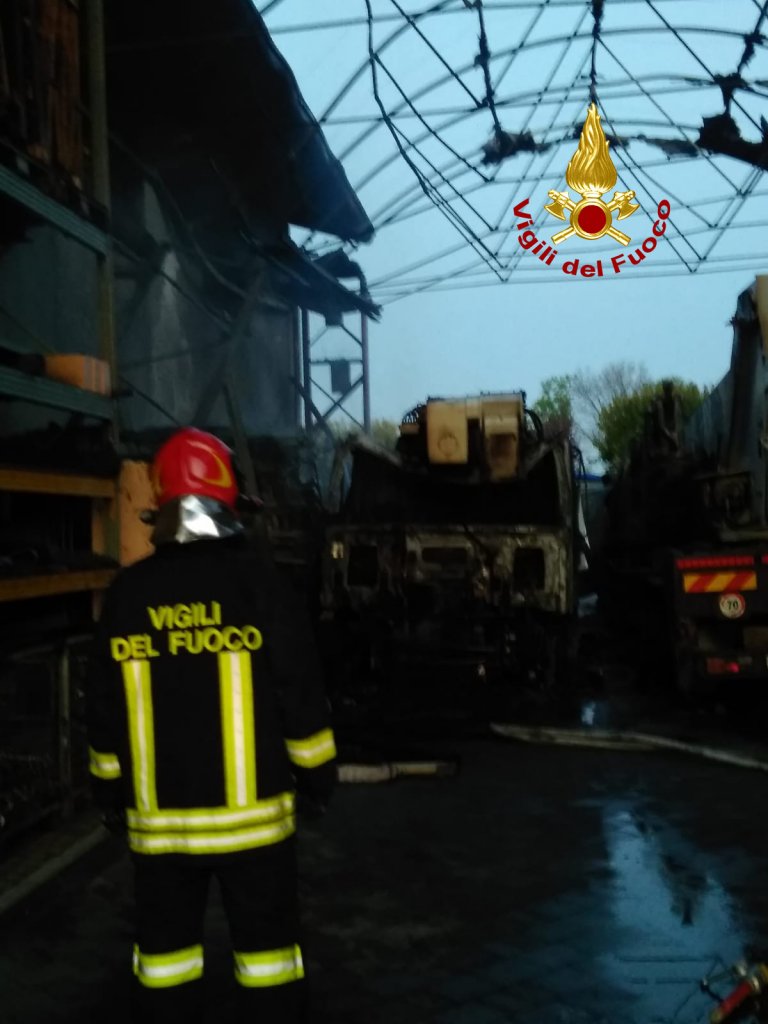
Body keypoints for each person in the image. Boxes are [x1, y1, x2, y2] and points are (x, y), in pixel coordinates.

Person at [86, 427, 336, 1024]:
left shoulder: (126, 596)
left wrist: (109, 795)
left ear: (161, 504)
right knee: (269, 964)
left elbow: (103, 710)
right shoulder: (262, 586)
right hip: (256, 831)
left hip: (161, 834)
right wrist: (317, 778)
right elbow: (300, 692)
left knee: (165, 966)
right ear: (229, 502)